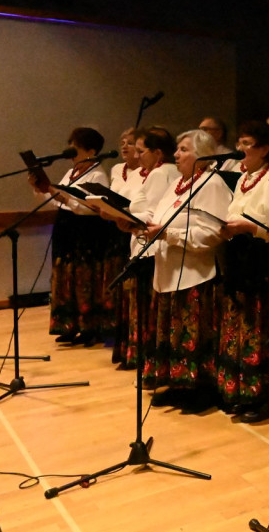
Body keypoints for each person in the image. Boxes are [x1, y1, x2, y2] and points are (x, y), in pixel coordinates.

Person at [139, 128, 232, 411]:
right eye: (177, 149)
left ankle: (201, 390)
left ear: (203, 156)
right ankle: (178, 384)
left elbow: (214, 233)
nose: (176, 154)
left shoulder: (212, 184)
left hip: (196, 273)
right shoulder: (179, 183)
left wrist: (170, 235)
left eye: (184, 150)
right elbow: (159, 216)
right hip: (168, 269)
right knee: (172, 333)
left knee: (195, 333)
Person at [218, 121, 269, 422]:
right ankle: (240, 390)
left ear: (265, 149)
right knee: (240, 328)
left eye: (247, 143)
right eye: (238, 142)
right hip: (240, 257)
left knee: (260, 326)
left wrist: (249, 227)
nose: (240, 149)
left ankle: (263, 396)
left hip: (264, 261)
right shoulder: (243, 178)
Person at [28, 127, 114, 346]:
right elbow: (57, 199)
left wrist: (66, 199)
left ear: (91, 150)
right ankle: (68, 324)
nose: (71, 150)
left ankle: (88, 326)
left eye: (75, 146)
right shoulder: (72, 172)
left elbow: (92, 207)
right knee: (64, 274)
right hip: (66, 227)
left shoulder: (97, 174)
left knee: (83, 277)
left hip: (85, 230)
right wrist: (42, 189)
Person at [119, 128, 179, 380]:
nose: (136, 155)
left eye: (141, 151)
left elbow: (153, 213)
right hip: (148, 243)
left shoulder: (161, 173)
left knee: (148, 307)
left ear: (157, 152)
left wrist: (123, 216)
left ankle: (149, 360)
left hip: (150, 247)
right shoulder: (160, 173)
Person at [107, 127, 145, 364]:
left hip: (136, 232)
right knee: (123, 290)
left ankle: (135, 349)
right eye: (122, 142)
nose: (125, 147)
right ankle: (124, 345)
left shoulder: (153, 174)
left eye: (131, 144)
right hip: (119, 231)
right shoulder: (120, 171)